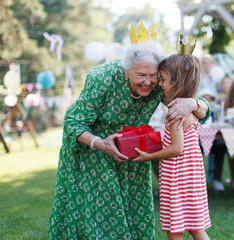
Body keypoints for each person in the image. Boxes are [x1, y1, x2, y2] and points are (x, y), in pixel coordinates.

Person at [48, 23, 211, 240]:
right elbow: (73, 123)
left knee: (137, 213)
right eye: (141, 75)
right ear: (126, 71)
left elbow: (202, 109)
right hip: (97, 153)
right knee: (105, 216)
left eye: (154, 76)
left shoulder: (159, 82)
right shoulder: (102, 78)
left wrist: (192, 103)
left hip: (135, 154)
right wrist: (99, 143)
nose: (149, 82)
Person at [133, 53, 211, 240]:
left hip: (177, 177)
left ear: (177, 82)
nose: (160, 84)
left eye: (165, 80)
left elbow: (177, 149)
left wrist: (148, 156)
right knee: (195, 227)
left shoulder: (176, 111)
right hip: (190, 176)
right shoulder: (191, 109)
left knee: (174, 229)